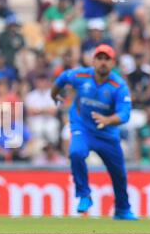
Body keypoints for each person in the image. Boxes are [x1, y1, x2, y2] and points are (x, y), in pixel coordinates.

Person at [51, 44, 138, 220]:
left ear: (113, 63)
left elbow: (125, 113)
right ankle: (84, 194)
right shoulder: (81, 75)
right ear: (94, 61)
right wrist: (54, 94)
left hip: (107, 133)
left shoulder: (118, 85)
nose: (103, 62)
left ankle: (122, 209)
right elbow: (62, 78)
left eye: (107, 59)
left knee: (118, 173)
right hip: (82, 127)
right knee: (76, 153)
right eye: (100, 58)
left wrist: (108, 120)